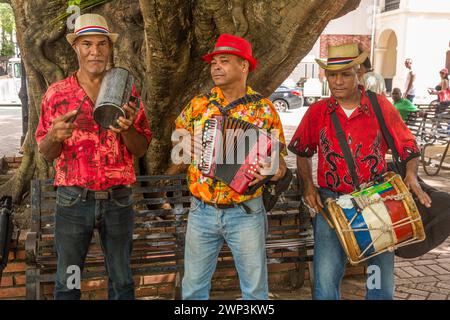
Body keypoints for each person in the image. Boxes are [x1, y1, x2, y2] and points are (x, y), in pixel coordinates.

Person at [288, 43, 431, 300]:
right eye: (332, 75)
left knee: (379, 284)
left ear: (359, 74)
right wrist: (309, 185)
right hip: (331, 206)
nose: (338, 81)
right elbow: (302, 150)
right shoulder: (317, 112)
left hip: (376, 205)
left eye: (346, 74)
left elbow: (409, 147)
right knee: (325, 282)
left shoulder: (380, 107)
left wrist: (411, 175)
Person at [35, 14, 152, 300]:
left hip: (119, 200)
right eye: (87, 44)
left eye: (102, 44)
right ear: (75, 48)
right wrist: (54, 136)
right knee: (70, 279)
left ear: (109, 49)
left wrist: (127, 131)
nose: (95, 51)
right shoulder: (57, 94)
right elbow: (46, 152)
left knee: (121, 279)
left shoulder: (127, 91)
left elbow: (140, 148)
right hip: (74, 201)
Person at [168, 33, 287, 300]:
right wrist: (185, 144)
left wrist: (270, 170)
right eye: (213, 63)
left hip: (245, 212)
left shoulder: (264, 110)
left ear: (244, 66)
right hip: (201, 211)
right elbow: (176, 142)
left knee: (255, 291)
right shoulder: (199, 105)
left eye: (224, 61)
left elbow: (279, 163)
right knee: (194, 289)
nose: (216, 67)